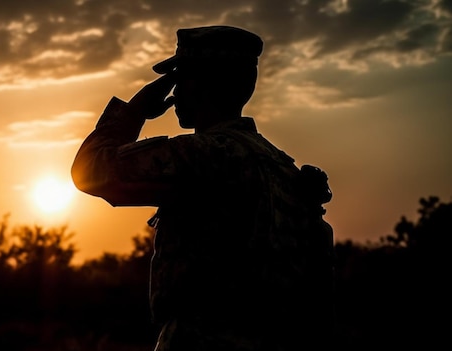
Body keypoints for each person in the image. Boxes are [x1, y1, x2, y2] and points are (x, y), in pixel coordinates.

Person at [71, 25, 335, 351]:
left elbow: (90, 172)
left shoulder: (204, 155)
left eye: (180, 79)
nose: (175, 91)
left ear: (202, 84)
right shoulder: (283, 169)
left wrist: (133, 112)